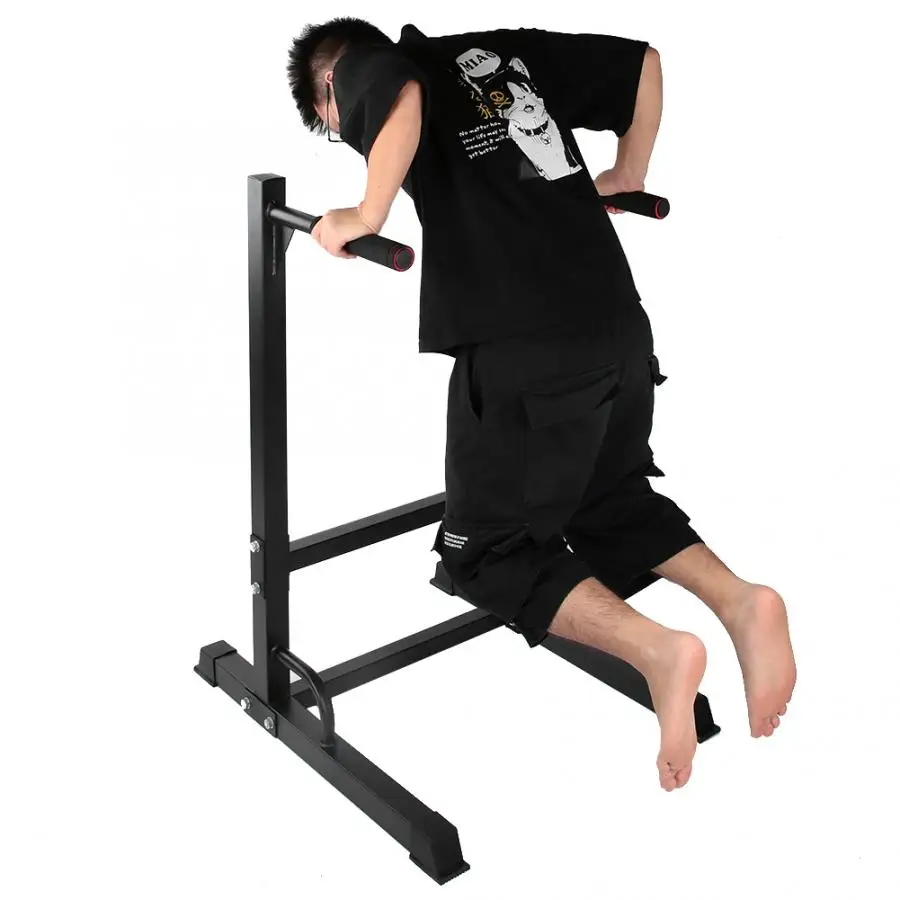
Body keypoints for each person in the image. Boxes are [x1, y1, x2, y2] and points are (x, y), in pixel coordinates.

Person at [286, 17, 796, 791]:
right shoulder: (502, 52)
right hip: (617, 324)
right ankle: (741, 602)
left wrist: (365, 214)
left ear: (331, 86)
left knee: (482, 553)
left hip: (525, 347)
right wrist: (628, 171)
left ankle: (661, 653)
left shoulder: (368, 65)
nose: (347, 131)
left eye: (334, 124)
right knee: (604, 497)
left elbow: (400, 95)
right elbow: (642, 65)